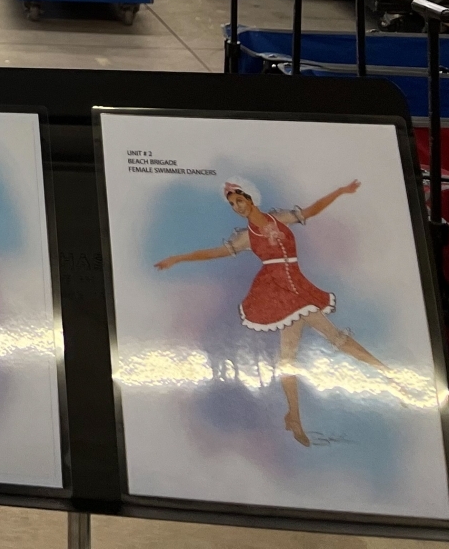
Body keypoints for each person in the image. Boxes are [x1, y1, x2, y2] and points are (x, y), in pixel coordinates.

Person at [155, 176, 384, 446]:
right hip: (276, 292)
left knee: (297, 353)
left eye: (239, 200)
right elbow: (214, 253)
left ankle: (297, 415)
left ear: (250, 198)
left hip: (298, 286)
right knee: (316, 343)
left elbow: (312, 210)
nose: (237, 207)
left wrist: (341, 191)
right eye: (232, 204)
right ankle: (383, 376)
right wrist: (178, 258)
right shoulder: (245, 237)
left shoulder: (281, 218)